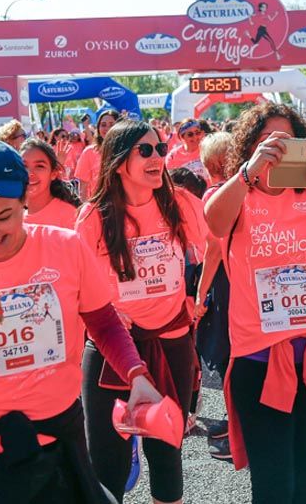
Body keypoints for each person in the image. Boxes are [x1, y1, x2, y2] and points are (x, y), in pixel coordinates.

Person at [0, 140, 162, 502]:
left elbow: (103, 323)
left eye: (2, 217)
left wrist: (136, 375)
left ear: (25, 198)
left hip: (55, 446)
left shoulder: (66, 247)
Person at [205, 103, 306, 504]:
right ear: (249, 147)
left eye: (287, 141)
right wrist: (249, 171)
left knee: (305, 480)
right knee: (275, 485)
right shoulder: (238, 192)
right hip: (259, 359)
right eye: (267, 141)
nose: (277, 148)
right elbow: (214, 220)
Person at [74, 120, 208, 503]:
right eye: (145, 151)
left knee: (167, 454)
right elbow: (77, 284)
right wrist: (106, 309)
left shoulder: (180, 202)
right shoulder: (94, 216)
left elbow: (215, 243)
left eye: (160, 149)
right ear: (119, 162)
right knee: (107, 465)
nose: (157, 158)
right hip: (112, 347)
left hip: (171, 341)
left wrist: (196, 293)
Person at [193, 131, 233, 461]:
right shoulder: (246, 189)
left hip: (226, 284)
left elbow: (213, 250)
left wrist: (200, 293)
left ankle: (237, 430)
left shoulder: (215, 194)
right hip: (246, 280)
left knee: (228, 355)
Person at [21, 138, 80, 228]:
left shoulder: (70, 217)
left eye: (39, 166)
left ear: (53, 173)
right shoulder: (13, 217)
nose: (30, 173)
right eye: (24, 166)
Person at [74, 109, 120, 202]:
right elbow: (83, 187)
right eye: (103, 125)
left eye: (112, 124)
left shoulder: (128, 151)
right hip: (97, 205)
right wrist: (84, 207)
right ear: (98, 128)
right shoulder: (89, 152)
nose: (107, 128)